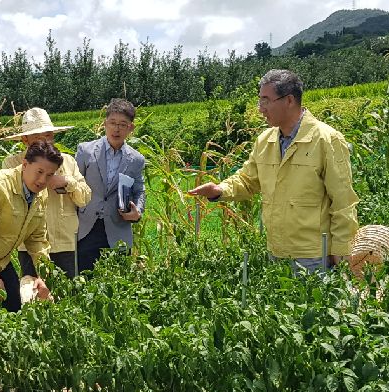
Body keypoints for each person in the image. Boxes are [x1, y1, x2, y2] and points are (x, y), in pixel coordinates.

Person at [188, 69, 359, 274]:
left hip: (313, 254)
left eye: (266, 101)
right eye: (260, 101)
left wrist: (341, 251)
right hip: (276, 250)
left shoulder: (326, 139)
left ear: (289, 100)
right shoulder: (265, 141)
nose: (261, 109)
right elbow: (247, 179)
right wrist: (219, 190)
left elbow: (343, 202)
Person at [3, 108, 91, 279]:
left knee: (68, 293)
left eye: (49, 136)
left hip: (64, 241)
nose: (46, 141)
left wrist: (67, 182)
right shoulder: (11, 163)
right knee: (33, 294)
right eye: (38, 138)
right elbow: (9, 199)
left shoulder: (67, 161)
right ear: (25, 140)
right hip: (29, 243)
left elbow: (85, 198)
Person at [0, 141, 60, 312]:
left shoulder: (40, 194)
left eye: (49, 175)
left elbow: (37, 239)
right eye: (39, 172)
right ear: (24, 164)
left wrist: (43, 277)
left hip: (2, 262)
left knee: (14, 308)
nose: (43, 180)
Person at [75, 99, 146, 275]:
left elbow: (139, 190)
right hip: (86, 228)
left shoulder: (136, 159)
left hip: (118, 228)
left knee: (119, 282)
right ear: (105, 124)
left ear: (131, 128)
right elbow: (74, 183)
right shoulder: (86, 151)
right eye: (113, 123)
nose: (117, 129)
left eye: (123, 124)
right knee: (84, 280)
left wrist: (138, 211)